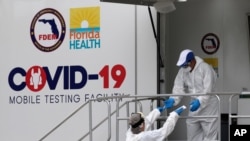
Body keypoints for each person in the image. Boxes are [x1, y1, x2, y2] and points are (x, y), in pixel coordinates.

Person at [164, 49, 219, 141]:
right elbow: (178, 87)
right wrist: (173, 99)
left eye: (186, 65)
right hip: (194, 104)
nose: (185, 67)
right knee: (192, 130)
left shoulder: (205, 68)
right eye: (183, 65)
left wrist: (200, 101)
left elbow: (208, 89)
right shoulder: (183, 70)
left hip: (209, 106)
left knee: (210, 135)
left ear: (192, 60)